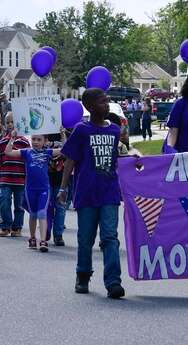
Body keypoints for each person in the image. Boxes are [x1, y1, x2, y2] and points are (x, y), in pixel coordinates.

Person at [57, 88, 125, 299]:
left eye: (107, 101)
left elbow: (119, 159)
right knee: (86, 239)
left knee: (110, 238)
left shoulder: (114, 130)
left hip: (109, 193)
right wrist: (63, 188)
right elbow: (70, 160)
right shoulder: (81, 130)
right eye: (102, 101)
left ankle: (113, 281)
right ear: (89, 107)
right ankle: (83, 275)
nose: (106, 104)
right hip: (86, 193)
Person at [5, 129, 66, 252]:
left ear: (45, 141)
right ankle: (32, 238)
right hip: (30, 189)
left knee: (42, 214)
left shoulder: (47, 152)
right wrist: (12, 139)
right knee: (33, 215)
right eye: (33, 139)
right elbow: (8, 152)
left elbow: (65, 150)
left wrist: (62, 134)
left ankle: (43, 241)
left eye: (39, 140)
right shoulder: (27, 152)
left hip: (44, 189)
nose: (36, 142)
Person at [0, 112, 30, 237]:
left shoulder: (25, 142)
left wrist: (28, 178)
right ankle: (5, 226)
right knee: (4, 202)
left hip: (20, 179)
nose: (10, 125)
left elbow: (28, 161)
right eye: (7, 122)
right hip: (5, 178)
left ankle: (17, 227)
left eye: (12, 122)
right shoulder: (3, 142)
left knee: (19, 205)